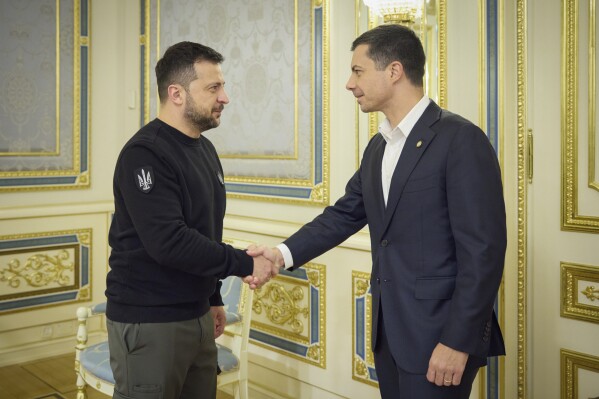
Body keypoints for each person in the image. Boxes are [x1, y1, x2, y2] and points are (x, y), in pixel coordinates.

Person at [247, 24, 506, 399]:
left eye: (357, 71)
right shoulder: (378, 148)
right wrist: (280, 254)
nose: (350, 84)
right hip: (390, 336)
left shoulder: (460, 140)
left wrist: (458, 341)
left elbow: (483, 252)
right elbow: (342, 215)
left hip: (439, 339)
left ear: (394, 71)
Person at [106, 41, 276, 399]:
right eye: (213, 88)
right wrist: (245, 260)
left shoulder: (204, 148)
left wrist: (212, 296)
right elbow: (170, 242)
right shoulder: (145, 153)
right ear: (177, 94)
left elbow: (204, 232)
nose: (225, 97)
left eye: (222, 86)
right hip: (150, 320)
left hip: (197, 315)